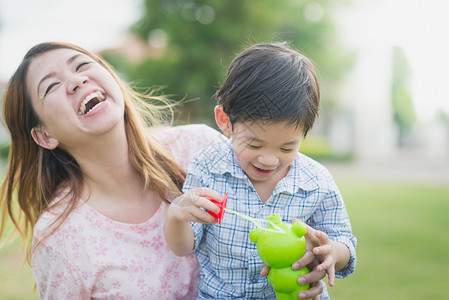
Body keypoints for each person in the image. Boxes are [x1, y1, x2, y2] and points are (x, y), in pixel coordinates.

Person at [0, 41, 223, 299]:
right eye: (51, 86)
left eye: (82, 65)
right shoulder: (60, 239)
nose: (76, 81)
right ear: (44, 135)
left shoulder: (201, 148)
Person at [163, 42, 357, 299]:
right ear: (225, 122)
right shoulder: (209, 167)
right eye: (254, 144)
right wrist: (176, 216)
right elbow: (184, 246)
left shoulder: (316, 181)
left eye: (287, 147)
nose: (268, 160)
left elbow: (345, 242)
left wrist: (331, 252)